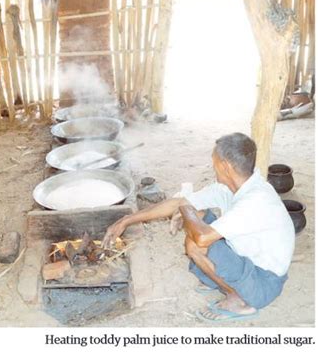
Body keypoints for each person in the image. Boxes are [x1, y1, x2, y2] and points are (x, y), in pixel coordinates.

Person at [101, 133, 295, 322]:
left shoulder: (256, 200)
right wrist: (127, 219)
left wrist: (186, 213)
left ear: (225, 166)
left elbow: (202, 237)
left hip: (263, 283)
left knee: (196, 244)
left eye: (214, 162)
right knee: (198, 216)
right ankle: (222, 282)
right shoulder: (232, 187)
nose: (213, 167)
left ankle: (239, 300)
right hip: (249, 263)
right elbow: (179, 202)